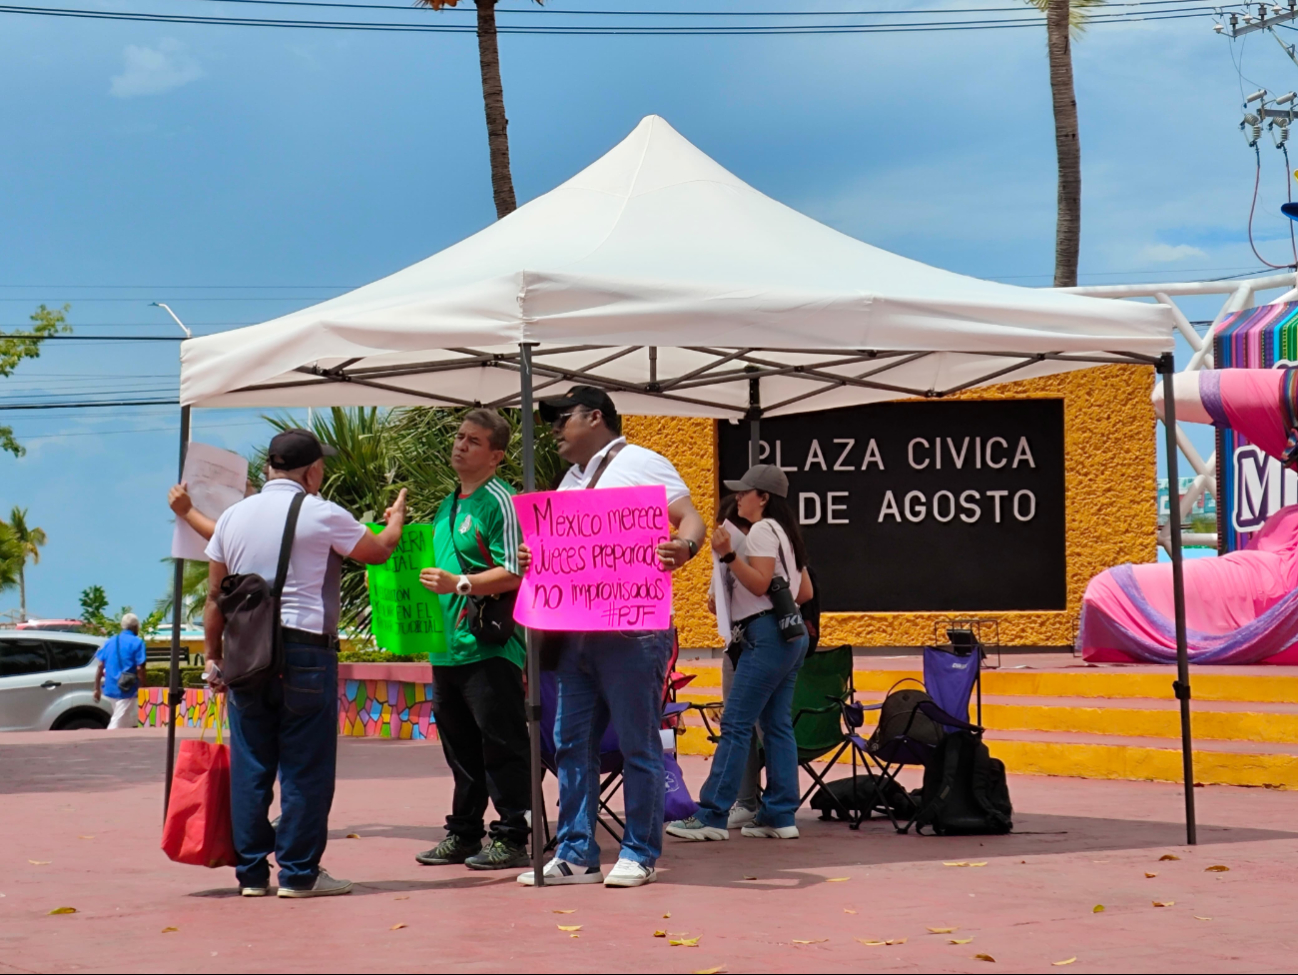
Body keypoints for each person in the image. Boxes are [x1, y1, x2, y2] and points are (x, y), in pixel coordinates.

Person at [202, 428, 406, 898]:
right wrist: (394, 521)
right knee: (304, 767)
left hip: (245, 653)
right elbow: (378, 552)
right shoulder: (322, 513)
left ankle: (251, 874)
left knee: (252, 765)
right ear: (312, 471)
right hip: (305, 650)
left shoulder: (231, 518)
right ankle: (298, 873)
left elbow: (216, 596)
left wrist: (214, 658)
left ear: (268, 467)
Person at [516, 386, 706, 889]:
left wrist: (683, 546)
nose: (554, 429)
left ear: (595, 416)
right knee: (571, 743)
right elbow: (555, 552)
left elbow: (692, 517)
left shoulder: (644, 461)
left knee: (638, 742)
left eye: (563, 418)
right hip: (576, 632)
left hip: (633, 631)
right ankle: (577, 851)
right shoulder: (568, 482)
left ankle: (640, 851)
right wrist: (532, 560)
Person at [667, 463, 813, 843]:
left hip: (766, 634)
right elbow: (804, 593)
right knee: (777, 725)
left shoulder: (763, 529)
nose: (737, 497)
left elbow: (762, 583)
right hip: (790, 632)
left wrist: (730, 556)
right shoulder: (786, 534)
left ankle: (712, 815)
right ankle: (779, 815)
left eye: (745, 492)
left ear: (763, 498)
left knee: (735, 723)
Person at [414, 409, 530, 871]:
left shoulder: (500, 500)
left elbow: (518, 570)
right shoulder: (448, 505)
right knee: (459, 748)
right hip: (447, 647)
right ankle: (464, 832)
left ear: (496, 455)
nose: (460, 445)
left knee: (501, 743)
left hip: (490, 646)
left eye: (474, 441)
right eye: (459, 436)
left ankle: (512, 834)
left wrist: (460, 584)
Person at [708, 495, 762, 829]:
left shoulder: (758, 550)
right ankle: (756, 802)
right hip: (736, 645)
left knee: (743, 725)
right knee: (742, 724)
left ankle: (746, 802)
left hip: (754, 646)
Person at [93, 613, 147, 729]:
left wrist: (97, 688)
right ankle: (108, 741)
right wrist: (143, 686)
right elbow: (139, 668)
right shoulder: (137, 642)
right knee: (117, 720)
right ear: (136, 627)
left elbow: (100, 666)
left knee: (124, 718)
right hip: (128, 687)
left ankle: (123, 742)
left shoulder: (109, 642)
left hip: (110, 686)